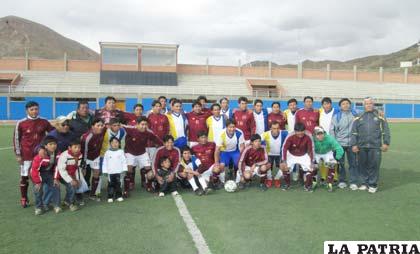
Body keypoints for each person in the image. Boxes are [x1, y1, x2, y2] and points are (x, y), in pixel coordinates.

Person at [13, 101, 54, 208]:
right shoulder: (21, 123)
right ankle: (24, 198)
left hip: (41, 155)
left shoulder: (44, 121)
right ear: (27, 111)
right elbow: (16, 139)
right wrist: (18, 154)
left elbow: (53, 133)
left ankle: (45, 199)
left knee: (43, 177)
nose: (34, 111)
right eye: (32, 109)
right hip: (26, 155)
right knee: (24, 177)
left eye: (36, 109)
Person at [351, 97, 390, 193]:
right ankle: (364, 183)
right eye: (367, 103)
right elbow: (354, 132)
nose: (369, 105)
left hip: (375, 146)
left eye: (370, 103)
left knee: (374, 165)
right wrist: (354, 144)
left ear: (373, 104)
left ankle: (373, 184)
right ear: (363, 105)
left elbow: (386, 130)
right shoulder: (358, 116)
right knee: (362, 165)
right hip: (361, 146)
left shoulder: (380, 115)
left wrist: (386, 142)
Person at [124, 116, 163, 196]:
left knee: (150, 171)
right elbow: (120, 126)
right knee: (129, 170)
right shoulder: (130, 129)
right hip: (130, 153)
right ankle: (126, 189)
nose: (144, 126)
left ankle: (149, 186)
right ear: (137, 124)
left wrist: (164, 145)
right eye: (142, 124)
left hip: (142, 153)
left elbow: (157, 140)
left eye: (145, 124)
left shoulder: (148, 132)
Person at [330, 98, 358, 190]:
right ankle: (342, 181)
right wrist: (335, 144)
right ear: (340, 106)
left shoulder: (355, 115)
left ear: (350, 105)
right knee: (340, 164)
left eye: (347, 103)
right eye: (343, 104)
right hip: (339, 144)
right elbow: (332, 130)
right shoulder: (336, 116)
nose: (345, 105)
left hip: (352, 144)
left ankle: (353, 182)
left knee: (353, 164)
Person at [30, 136, 61, 215]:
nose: (53, 146)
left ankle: (56, 205)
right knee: (38, 189)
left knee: (56, 185)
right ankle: (38, 207)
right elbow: (34, 170)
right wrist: (38, 182)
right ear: (45, 146)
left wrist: (56, 178)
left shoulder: (58, 153)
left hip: (49, 173)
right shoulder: (40, 155)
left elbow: (58, 166)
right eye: (50, 144)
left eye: (54, 144)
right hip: (38, 174)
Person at [280, 123, 315, 191]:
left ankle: (307, 186)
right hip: (291, 154)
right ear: (295, 131)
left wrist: (312, 161)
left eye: (302, 133)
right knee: (284, 167)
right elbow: (284, 148)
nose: (300, 135)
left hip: (303, 154)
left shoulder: (308, 136)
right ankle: (287, 184)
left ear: (304, 131)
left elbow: (311, 150)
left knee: (311, 168)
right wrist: (284, 161)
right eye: (298, 133)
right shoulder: (290, 136)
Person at [80, 118, 106, 201]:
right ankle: (78, 196)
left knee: (96, 173)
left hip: (96, 157)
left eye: (102, 125)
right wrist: (83, 165)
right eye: (98, 125)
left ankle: (93, 194)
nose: (100, 127)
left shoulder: (103, 131)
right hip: (85, 157)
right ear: (92, 126)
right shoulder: (87, 137)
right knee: (81, 175)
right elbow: (84, 151)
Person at [55, 139, 83, 211]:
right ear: (69, 148)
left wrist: (77, 179)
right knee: (72, 185)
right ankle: (71, 204)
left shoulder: (80, 155)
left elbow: (77, 168)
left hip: (71, 174)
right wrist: (71, 180)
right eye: (75, 147)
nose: (77, 149)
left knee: (76, 184)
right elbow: (61, 170)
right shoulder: (64, 155)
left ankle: (67, 201)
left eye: (79, 147)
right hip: (60, 175)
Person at [313, 126, 344, 192]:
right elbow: (308, 149)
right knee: (313, 165)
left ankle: (330, 183)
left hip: (327, 152)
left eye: (321, 133)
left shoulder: (330, 138)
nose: (320, 136)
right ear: (315, 135)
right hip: (316, 153)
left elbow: (339, 148)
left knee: (332, 164)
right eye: (318, 134)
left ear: (324, 133)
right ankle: (314, 181)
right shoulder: (312, 139)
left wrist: (336, 158)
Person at [261, 121, 288, 188]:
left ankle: (277, 178)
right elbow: (258, 143)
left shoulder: (285, 133)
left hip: (280, 154)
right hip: (269, 154)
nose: (276, 130)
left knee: (284, 166)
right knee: (267, 166)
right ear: (270, 128)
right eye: (274, 128)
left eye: (277, 128)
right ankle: (269, 179)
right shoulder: (265, 134)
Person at [103, 137, 128, 203]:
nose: (115, 144)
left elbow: (124, 161)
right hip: (110, 172)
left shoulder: (121, 151)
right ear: (110, 144)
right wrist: (105, 171)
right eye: (113, 142)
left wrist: (124, 169)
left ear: (119, 143)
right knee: (111, 185)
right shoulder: (107, 153)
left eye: (116, 142)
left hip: (119, 172)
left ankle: (118, 196)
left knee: (118, 184)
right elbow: (105, 162)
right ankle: (110, 196)